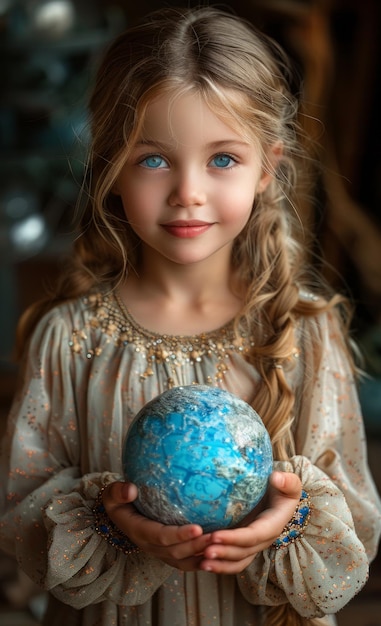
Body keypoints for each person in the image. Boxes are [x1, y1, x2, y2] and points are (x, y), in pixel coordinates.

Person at [0, 6, 380, 626]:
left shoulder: (304, 330)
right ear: (112, 166)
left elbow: (356, 526)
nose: (188, 191)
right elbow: (19, 511)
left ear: (268, 167)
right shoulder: (70, 338)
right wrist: (110, 522)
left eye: (223, 159)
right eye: (153, 159)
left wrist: (289, 521)